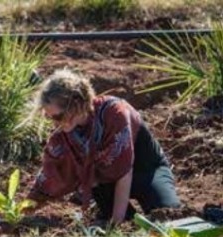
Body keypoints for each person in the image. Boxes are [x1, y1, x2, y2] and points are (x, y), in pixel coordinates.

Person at [26, 69, 180, 225]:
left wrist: (116, 223)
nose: (55, 123)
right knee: (98, 187)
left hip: (147, 171)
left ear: (77, 104)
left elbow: (124, 170)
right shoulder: (65, 134)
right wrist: (18, 214)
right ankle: (120, 217)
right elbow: (50, 174)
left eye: (58, 116)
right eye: (49, 118)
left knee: (168, 216)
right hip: (107, 182)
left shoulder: (114, 113)